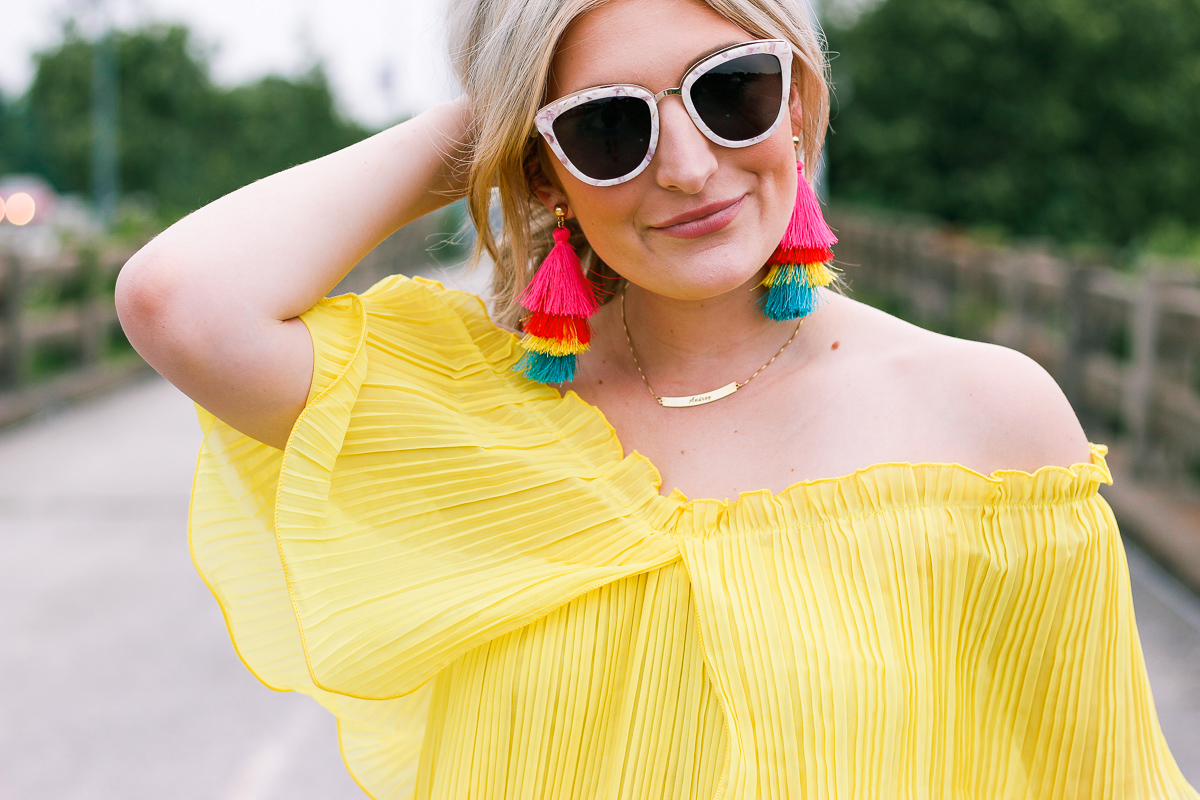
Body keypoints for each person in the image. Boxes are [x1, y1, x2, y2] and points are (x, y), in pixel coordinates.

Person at [115, 0, 1198, 797]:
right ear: (544, 174)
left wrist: (574, 112)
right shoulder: (471, 414)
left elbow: (1095, 773)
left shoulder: (986, 417)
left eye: (735, 93)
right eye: (607, 127)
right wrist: (491, 124)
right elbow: (182, 302)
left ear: (800, 109)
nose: (685, 165)